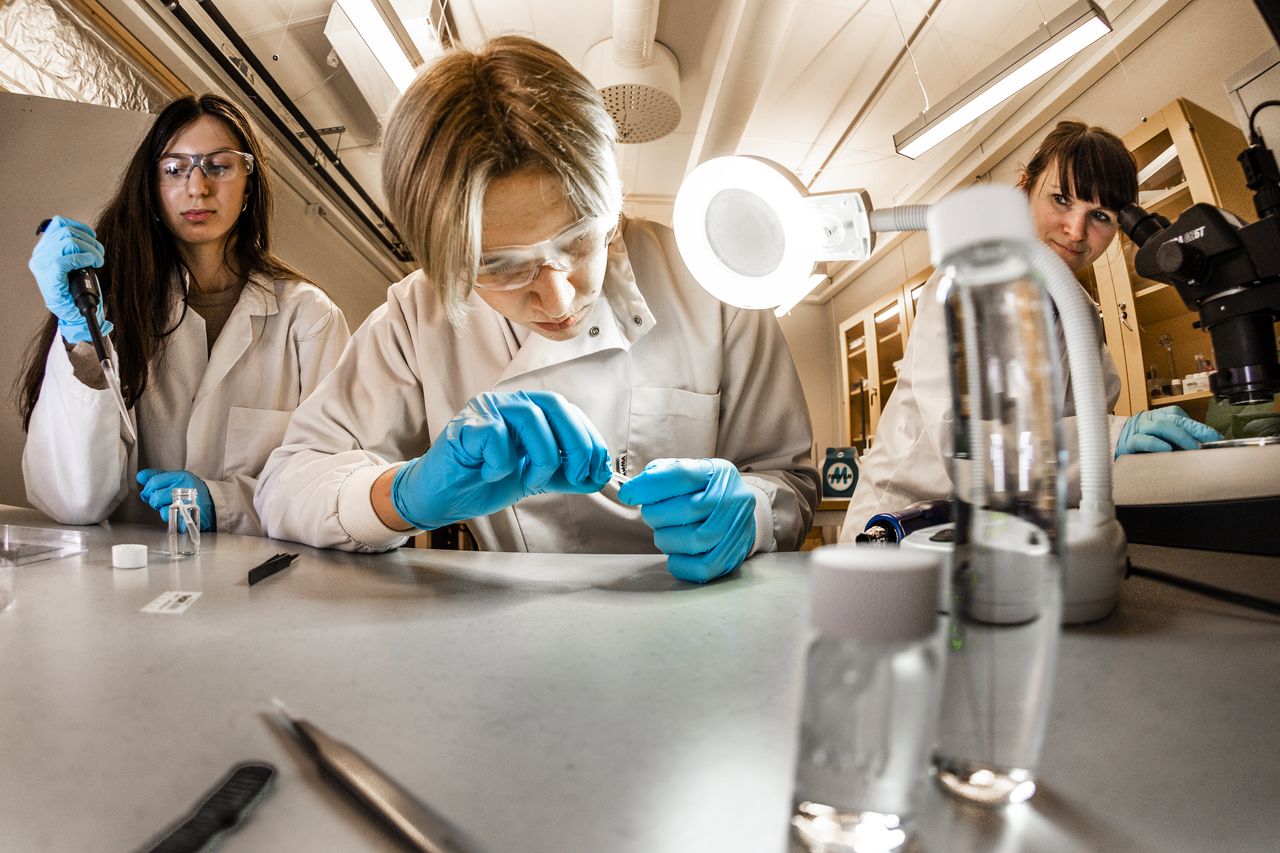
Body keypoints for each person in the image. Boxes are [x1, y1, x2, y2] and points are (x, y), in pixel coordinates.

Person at [255, 36, 819, 583]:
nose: (558, 298)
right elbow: (284, 485)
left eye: (576, 242)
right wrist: (404, 494)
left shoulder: (711, 282)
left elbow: (792, 481)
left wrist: (752, 513)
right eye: (499, 266)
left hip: (695, 615)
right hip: (506, 632)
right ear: (444, 258)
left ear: (613, 204)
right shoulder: (416, 315)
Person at [842, 120, 1221, 536]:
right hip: (899, 526)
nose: (1076, 231)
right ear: (1025, 189)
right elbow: (966, 445)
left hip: (1000, 531)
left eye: (1099, 215)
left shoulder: (1080, 315)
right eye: (1060, 199)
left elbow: (1084, 440)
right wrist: (1112, 438)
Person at [19, 94, 350, 534]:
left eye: (219, 165)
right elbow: (75, 502)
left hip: (261, 585)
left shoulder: (308, 319)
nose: (198, 187)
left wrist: (226, 502)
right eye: (175, 169)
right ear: (152, 189)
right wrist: (82, 336)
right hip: (128, 583)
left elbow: (335, 481)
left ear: (249, 182)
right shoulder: (114, 303)